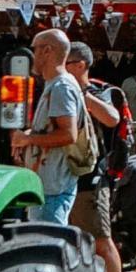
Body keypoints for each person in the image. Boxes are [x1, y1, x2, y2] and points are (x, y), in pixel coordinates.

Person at [24, 28, 94, 229]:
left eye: (35, 49)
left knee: (46, 249)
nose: (32, 56)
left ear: (47, 51)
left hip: (53, 188)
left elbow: (68, 134)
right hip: (48, 185)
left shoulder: (61, 87)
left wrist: (28, 140)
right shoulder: (55, 84)